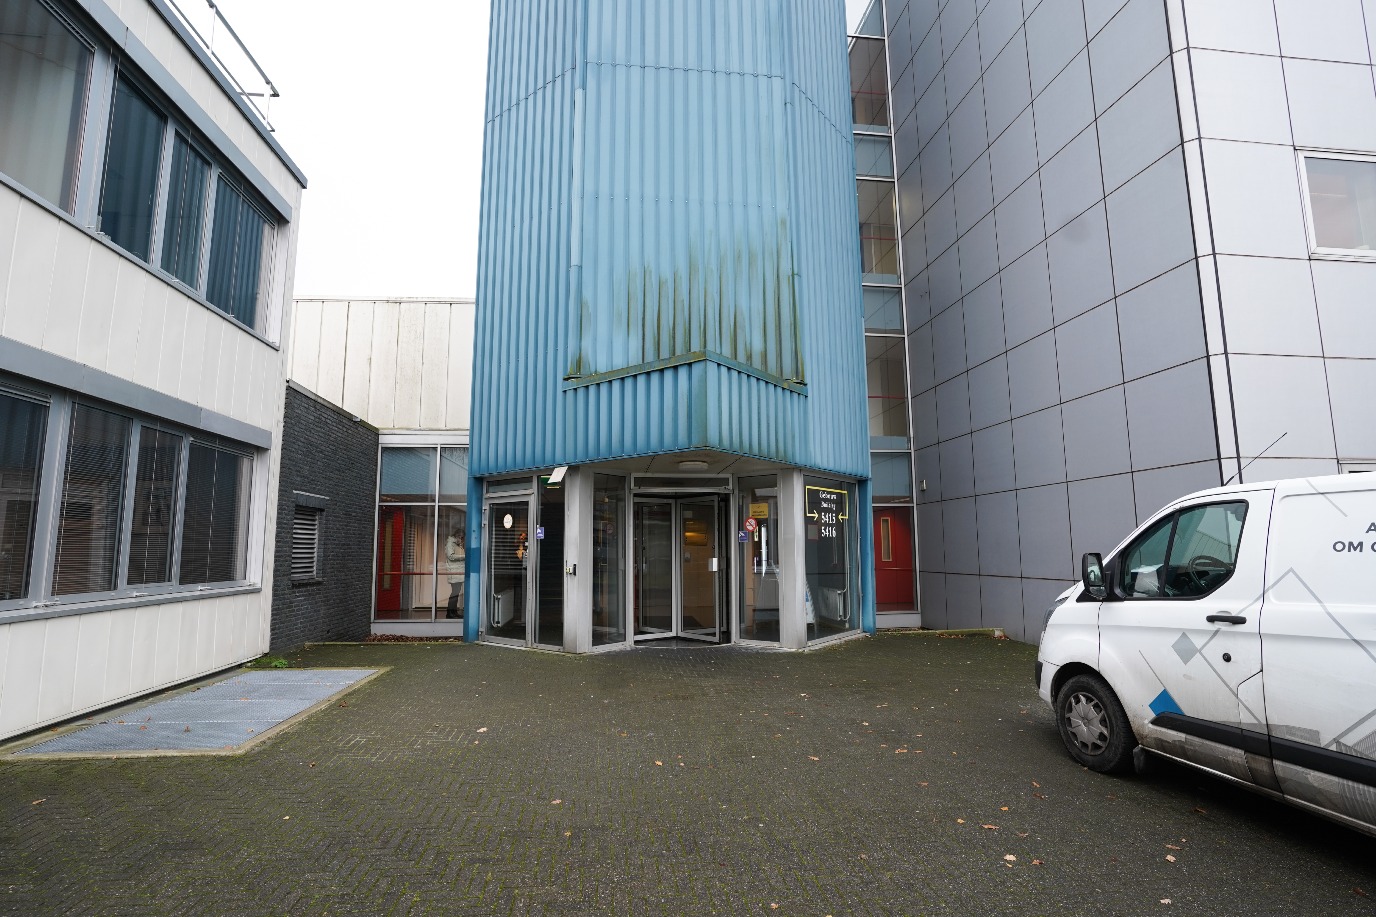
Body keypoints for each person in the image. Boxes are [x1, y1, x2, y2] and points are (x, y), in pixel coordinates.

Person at [443, 528, 465, 618]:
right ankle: (450, 613)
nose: (460, 538)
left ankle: (454, 612)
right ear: (455, 535)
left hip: (458, 572)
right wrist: (464, 556)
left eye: (462, 537)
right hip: (454, 572)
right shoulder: (450, 543)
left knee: (456, 593)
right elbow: (451, 556)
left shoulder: (458, 545)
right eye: (459, 536)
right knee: (454, 593)